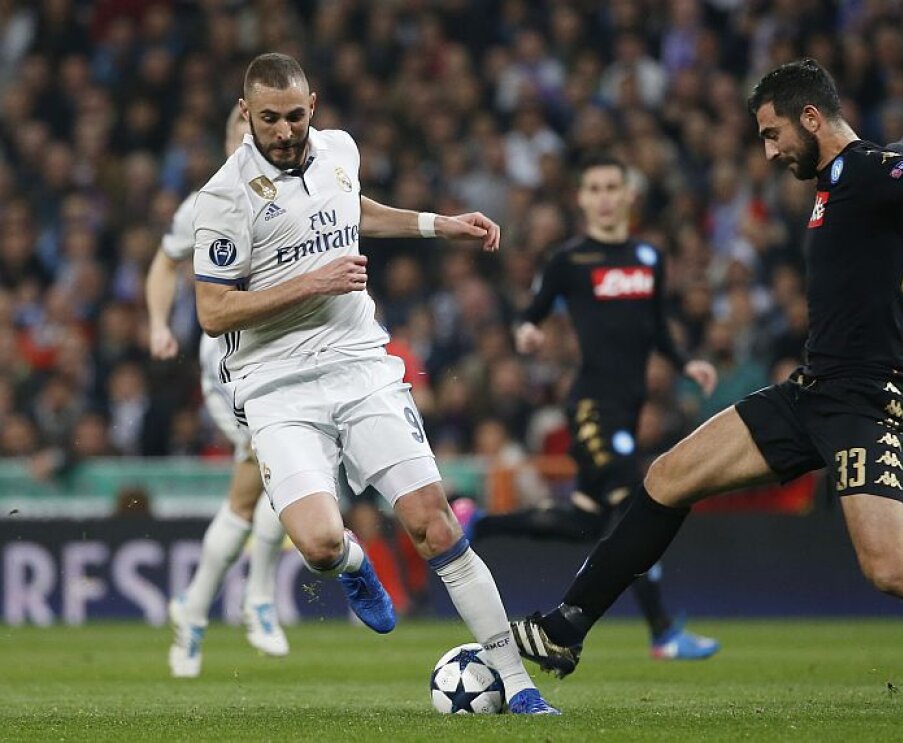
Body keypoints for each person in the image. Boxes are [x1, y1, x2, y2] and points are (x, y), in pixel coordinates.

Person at [509, 59, 903, 713]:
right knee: (668, 475)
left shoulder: (868, 171)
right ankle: (565, 628)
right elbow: (899, 160)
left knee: (892, 568)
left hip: (868, 403)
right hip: (810, 392)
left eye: (772, 132)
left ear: (811, 119)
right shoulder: (848, 173)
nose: (770, 149)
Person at [191, 53, 557, 714]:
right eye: (269, 118)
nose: (283, 130)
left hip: (360, 363)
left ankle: (522, 685)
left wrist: (436, 225)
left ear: (315, 106)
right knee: (319, 542)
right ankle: (355, 565)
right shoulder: (223, 197)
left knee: (434, 523)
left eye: (295, 116)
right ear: (247, 113)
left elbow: (350, 209)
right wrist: (312, 281)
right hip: (276, 387)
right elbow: (212, 312)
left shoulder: (339, 149)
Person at [454, 153, 722, 660]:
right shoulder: (569, 261)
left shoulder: (648, 258)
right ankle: (661, 631)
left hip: (627, 406)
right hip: (591, 406)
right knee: (634, 508)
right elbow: (530, 315)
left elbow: (657, 327)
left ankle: (479, 522)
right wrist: (529, 332)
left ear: (627, 196)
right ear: (581, 199)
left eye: (610, 188)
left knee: (585, 519)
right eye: (593, 188)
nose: (602, 197)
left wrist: (687, 363)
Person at [150, 105, 290, 678]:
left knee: (270, 478)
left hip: (283, 353)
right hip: (231, 360)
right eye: (239, 131)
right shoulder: (209, 200)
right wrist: (159, 323)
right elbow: (163, 264)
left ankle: (195, 607)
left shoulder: (298, 192)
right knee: (274, 460)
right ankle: (255, 596)